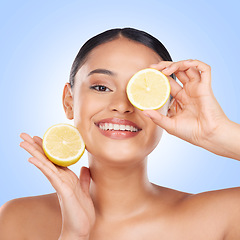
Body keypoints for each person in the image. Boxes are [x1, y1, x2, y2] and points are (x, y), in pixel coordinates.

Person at [0, 27, 240, 240]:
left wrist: (218, 132)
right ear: (69, 101)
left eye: (142, 90)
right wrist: (74, 235)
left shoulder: (225, 216)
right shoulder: (17, 219)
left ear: (172, 106)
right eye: (101, 87)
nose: (122, 105)